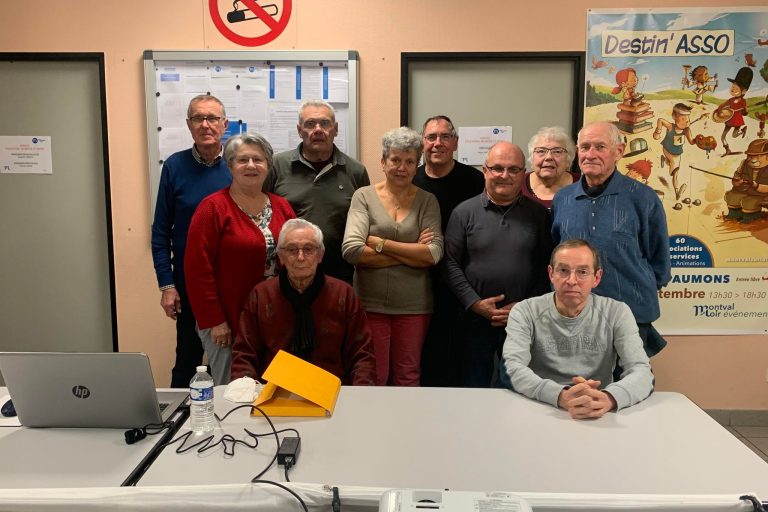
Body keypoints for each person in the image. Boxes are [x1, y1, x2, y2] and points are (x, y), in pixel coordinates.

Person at [185, 132, 296, 385]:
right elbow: (197, 270)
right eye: (242, 160)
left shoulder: (282, 207)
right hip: (227, 321)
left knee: (273, 390)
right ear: (230, 165)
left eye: (258, 160)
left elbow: (293, 259)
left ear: (268, 166)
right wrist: (214, 321)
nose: (251, 166)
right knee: (233, 390)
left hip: (274, 318)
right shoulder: (212, 208)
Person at [552, 121, 671, 357]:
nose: (591, 154)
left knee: (626, 388)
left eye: (600, 147)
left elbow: (660, 262)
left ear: (619, 151)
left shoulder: (643, 198)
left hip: (630, 317)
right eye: (585, 147)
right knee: (578, 387)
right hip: (574, 317)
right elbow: (557, 254)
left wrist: (632, 291)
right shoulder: (563, 199)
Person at [501, 239, 654, 419]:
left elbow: (642, 371)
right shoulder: (525, 311)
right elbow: (512, 368)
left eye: (582, 272)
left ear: (596, 278)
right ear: (551, 273)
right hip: (539, 407)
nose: (571, 280)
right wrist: (561, 396)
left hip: (597, 410)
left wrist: (609, 398)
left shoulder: (617, 312)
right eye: (563, 270)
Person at [443, 141, 552, 388]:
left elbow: (547, 266)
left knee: (517, 388)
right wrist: (474, 303)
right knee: (473, 387)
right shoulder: (463, 212)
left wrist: (525, 306)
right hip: (473, 321)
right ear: (485, 171)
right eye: (497, 168)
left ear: (523, 174)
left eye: (513, 170)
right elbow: (449, 263)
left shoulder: (538, 215)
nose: (505, 176)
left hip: (523, 321)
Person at [342, 127, 443, 386]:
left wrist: (380, 244)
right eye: (395, 160)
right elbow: (352, 250)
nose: (402, 167)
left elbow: (433, 254)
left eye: (410, 162)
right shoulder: (363, 196)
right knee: (374, 375)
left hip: (414, 306)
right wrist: (411, 251)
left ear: (417, 165)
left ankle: (406, 427)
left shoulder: (427, 201)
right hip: (370, 304)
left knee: (408, 376)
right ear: (383, 162)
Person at [231, 219, 376, 385]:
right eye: (292, 250)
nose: (300, 257)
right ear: (281, 256)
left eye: (308, 249)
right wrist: (245, 393)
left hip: (331, 391)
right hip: (274, 392)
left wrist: (360, 394)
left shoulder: (343, 294)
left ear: (320, 255)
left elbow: (362, 355)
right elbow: (244, 355)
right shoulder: (261, 295)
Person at [151, 94, 232, 388]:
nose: (206, 125)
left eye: (212, 118)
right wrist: (167, 286)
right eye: (199, 118)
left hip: (231, 284)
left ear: (225, 124)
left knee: (233, 363)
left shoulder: (239, 167)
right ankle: (178, 430)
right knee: (187, 363)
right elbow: (160, 233)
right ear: (189, 124)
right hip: (188, 285)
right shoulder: (174, 166)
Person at [412, 115, 485, 387]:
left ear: (455, 142)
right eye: (431, 137)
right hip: (420, 280)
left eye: (445, 137)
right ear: (422, 143)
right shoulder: (412, 180)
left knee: (462, 360)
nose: (437, 143)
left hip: (463, 282)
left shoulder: (475, 181)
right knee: (425, 357)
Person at [265, 100, 370, 284]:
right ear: (299, 130)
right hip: (287, 275)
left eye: (325, 123)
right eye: (310, 124)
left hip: (338, 276)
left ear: (336, 129)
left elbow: (364, 225)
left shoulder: (355, 171)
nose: (318, 129)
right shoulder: (277, 166)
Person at [522, 126, 579, 209]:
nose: (549, 157)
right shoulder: (518, 184)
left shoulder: (583, 185)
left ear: (569, 158)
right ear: (532, 158)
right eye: (541, 151)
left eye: (557, 151)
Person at [653, 103, 697, 201]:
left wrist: (698, 141)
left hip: (677, 155)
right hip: (667, 149)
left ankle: (665, 161)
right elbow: (660, 120)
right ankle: (677, 191)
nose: (685, 123)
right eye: (682, 119)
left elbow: (691, 142)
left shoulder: (686, 130)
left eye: (687, 120)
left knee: (674, 171)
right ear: (674, 117)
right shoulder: (670, 127)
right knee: (675, 171)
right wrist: (658, 131)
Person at [724, 138, 768, 223]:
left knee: (748, 202)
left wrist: (757, 186)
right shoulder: (744, 163)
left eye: (757, 156)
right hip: (744, 190)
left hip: (761, 194)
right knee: (732, 196)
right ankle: (734, 215)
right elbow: (737, 176)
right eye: (750, 155)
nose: (752, 159)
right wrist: (736, 182)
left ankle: (751, 217)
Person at [715, 67, 752, 156]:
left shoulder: (743, 102)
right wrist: (719, 110)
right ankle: (727, 150)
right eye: (733, 86)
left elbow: (745, 113)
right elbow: (722, 106)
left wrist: (744, 111)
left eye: (736, 88)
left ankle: (743, 130)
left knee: (734, 135)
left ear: (744, 91)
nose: (733, 88)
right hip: (729, 120)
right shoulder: (731, 100)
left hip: (737, 121)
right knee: (722, 137)